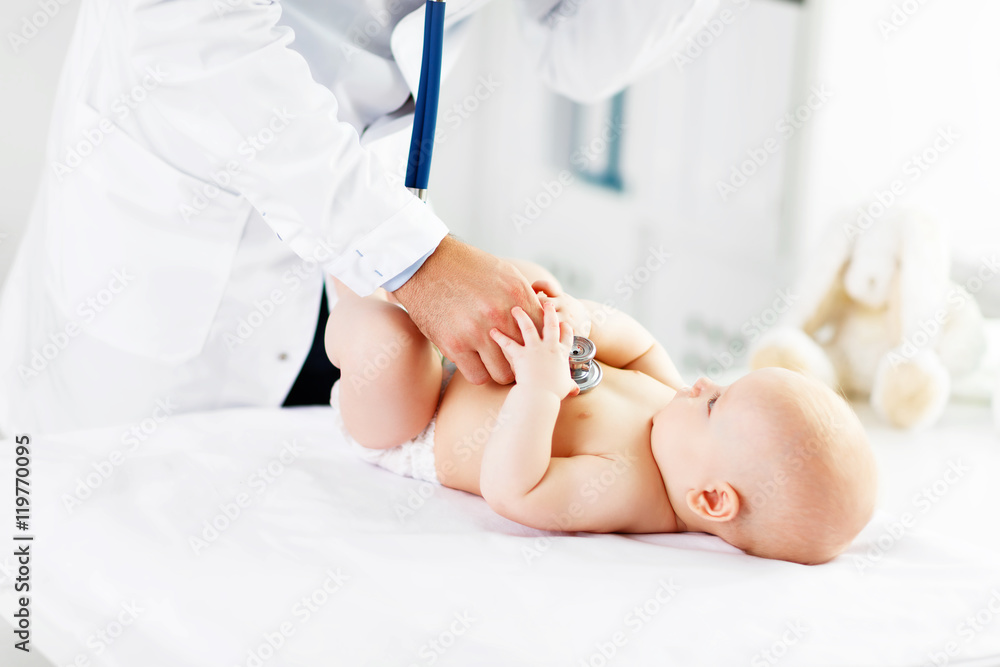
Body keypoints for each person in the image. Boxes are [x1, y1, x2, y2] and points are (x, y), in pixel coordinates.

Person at [0, 0, 720, 435]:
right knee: (88, 574)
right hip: (185, 239)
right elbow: (185, 31)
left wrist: (404, 256)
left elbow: (580, 54)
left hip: (364, 264)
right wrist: (414, 259)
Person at [324, 263, 878, 565]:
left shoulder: (628, 487)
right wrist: (581, 319)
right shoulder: (672, 404)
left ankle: (349, 290)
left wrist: (540, 390)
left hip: (418, 424)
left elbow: (514, 489)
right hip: (466, 360)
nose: (704, 383)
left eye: (715, 403)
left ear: (710, 499)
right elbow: (634, 345)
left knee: (388, 343)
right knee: (522, 279)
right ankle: (379, 266)